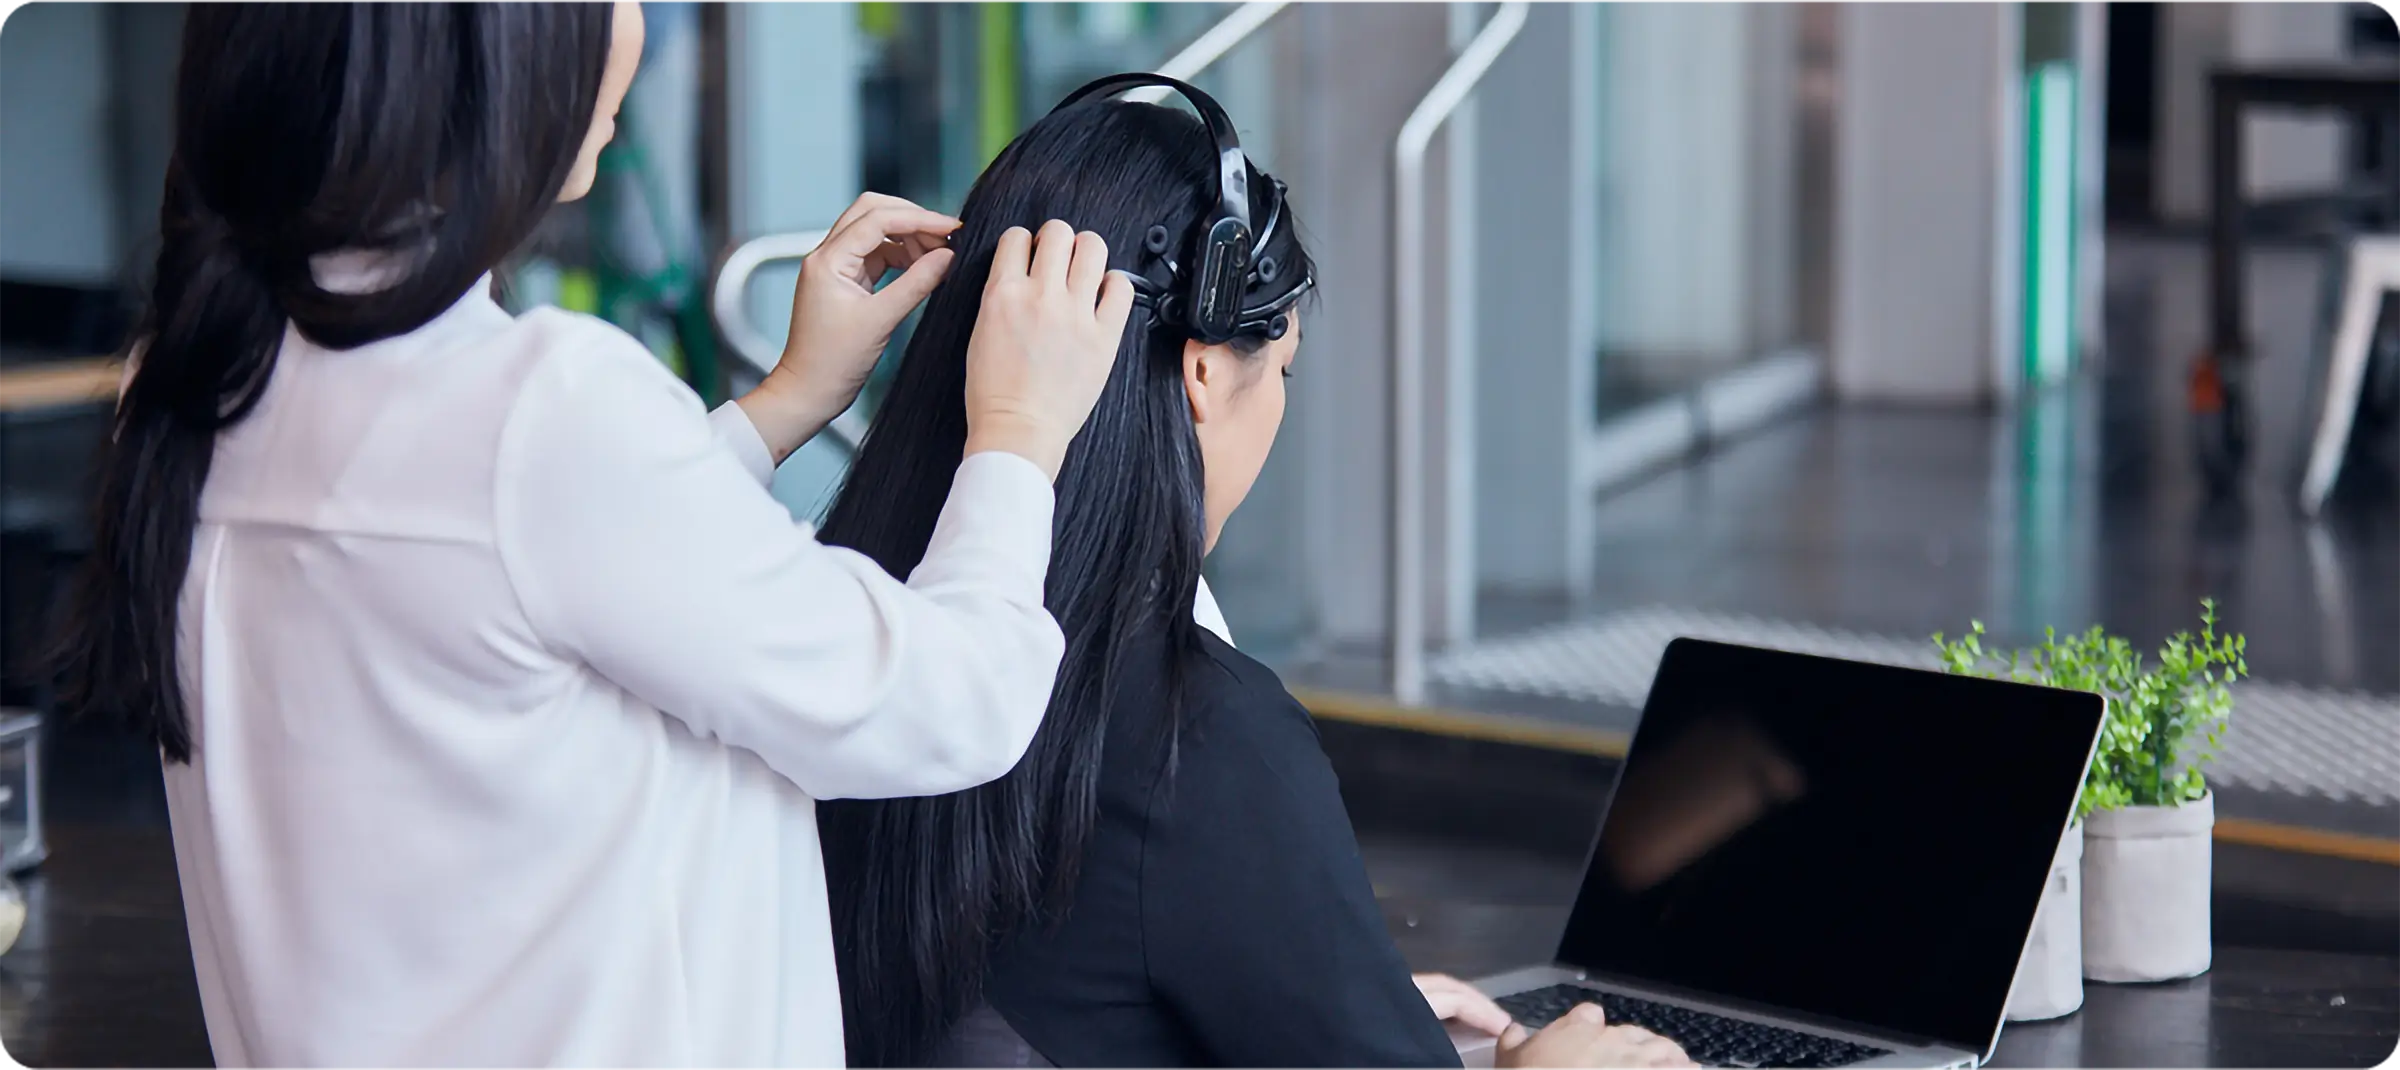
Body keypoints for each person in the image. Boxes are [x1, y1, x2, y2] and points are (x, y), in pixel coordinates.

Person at [52, 1, 1131, 1066]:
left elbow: (508, 579)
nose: (639, 31)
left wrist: (792, 397)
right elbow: (944, 703)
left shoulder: (197, 385)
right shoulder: (542, 413)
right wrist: (1022, 431)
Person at [816, 84, 1698, 1070]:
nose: (1275, 403)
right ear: (1202, 371)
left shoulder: (832, 620)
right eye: (1282, 369)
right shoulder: (1202, 735)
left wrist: (1319, 985)